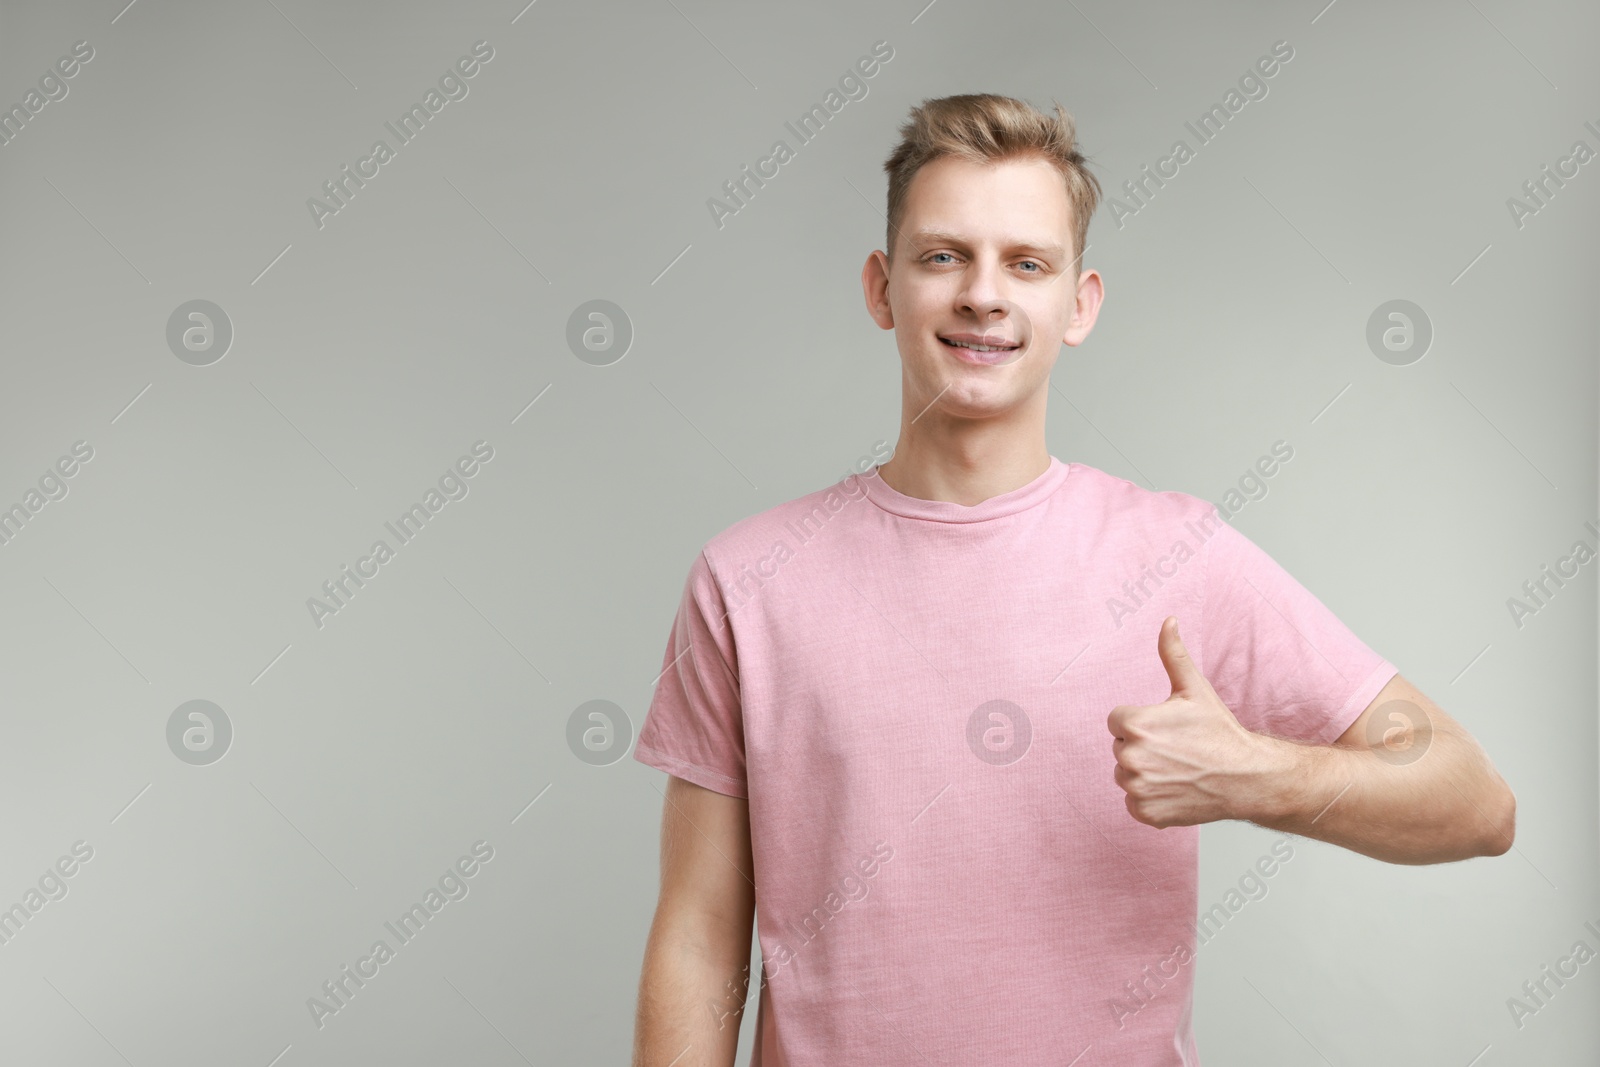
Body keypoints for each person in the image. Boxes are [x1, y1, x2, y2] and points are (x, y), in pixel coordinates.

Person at [630, 93, 1516, 1066]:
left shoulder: (1175, 556)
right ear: (882, 288)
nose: (982, 293)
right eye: (942, 256)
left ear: (1078, 302)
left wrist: (1248, 774)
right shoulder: (748, 579)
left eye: (1025, 262)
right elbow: (698, 934)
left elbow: (1474, 800)